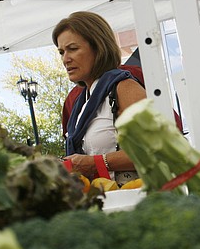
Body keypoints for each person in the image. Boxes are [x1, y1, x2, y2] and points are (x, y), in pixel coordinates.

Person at [54, 11, 147, 185]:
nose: (65, 59)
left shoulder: (125, 88)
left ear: (98, 47)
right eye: (61, 52)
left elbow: (152, 150)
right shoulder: (81, 103)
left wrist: (95, 163)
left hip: (136, 197)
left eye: (73, 49)